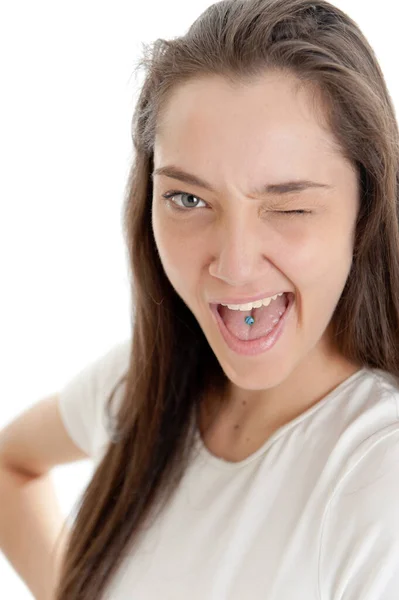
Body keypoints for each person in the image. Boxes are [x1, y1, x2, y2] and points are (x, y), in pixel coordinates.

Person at [1, 0, 399, 598]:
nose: (234, 267)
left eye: (288, 206)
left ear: (364, 211)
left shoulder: (377, 477)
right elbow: (10, 466)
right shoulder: (141, 384)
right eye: (189, 200)